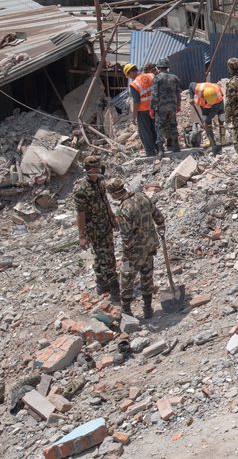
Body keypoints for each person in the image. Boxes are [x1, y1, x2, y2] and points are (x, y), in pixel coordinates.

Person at [107, 179, 165, 320]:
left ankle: (126, 311)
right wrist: (161, 225)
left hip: (134, 251)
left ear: (115, 194)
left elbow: (126, 236)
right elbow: (156, 214)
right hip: (149, 245)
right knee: (147, 276)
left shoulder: (123, 210)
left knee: (126, 277)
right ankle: (148, 309)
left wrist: (127, 255)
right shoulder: (142, 196)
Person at [73, 155, 119, 303]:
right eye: (98, 168)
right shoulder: (81, 189)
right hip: (94, 229)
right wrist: (82, 235)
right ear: (92, 169)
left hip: (106, 224)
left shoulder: (99, 182)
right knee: (108, 257)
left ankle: (101, 284)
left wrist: (113, 219)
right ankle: (115, 290)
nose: (101, 170)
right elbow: (80, 214)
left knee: (101, 256)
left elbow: (105, 203)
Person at [150, 58, 182, 155]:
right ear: (167, 67)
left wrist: (152, 107)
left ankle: (161, 150)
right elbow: (178, 93)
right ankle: (176, 146)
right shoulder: (175, 77)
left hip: (161, 107)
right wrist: (178, 105)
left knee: (159, 126)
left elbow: (154, 94)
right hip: (172, 106)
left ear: (158, 67)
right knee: (173, 125)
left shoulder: (157, 78)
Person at [124, 63, 157, 157]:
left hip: (143, 111)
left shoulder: (134, 84)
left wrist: (133, 117)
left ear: (130, 72)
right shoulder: (151, 76)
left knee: (145, 131)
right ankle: (158, 148)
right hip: (155, 108)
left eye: (128, 75)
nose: (129, 77)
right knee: (154, 129)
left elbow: (136, 102)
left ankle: (150, 152)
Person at [189, 81, 225, 152]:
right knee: (206, 120)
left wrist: (208, 119)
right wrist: (191, 98)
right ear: (204, 96)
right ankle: (211, 142)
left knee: (221, 117)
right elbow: (191, 85)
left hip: (217, 104)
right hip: (204, 105)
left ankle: (223, 140)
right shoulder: (198, 88)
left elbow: (212, 113)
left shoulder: (218, 97)